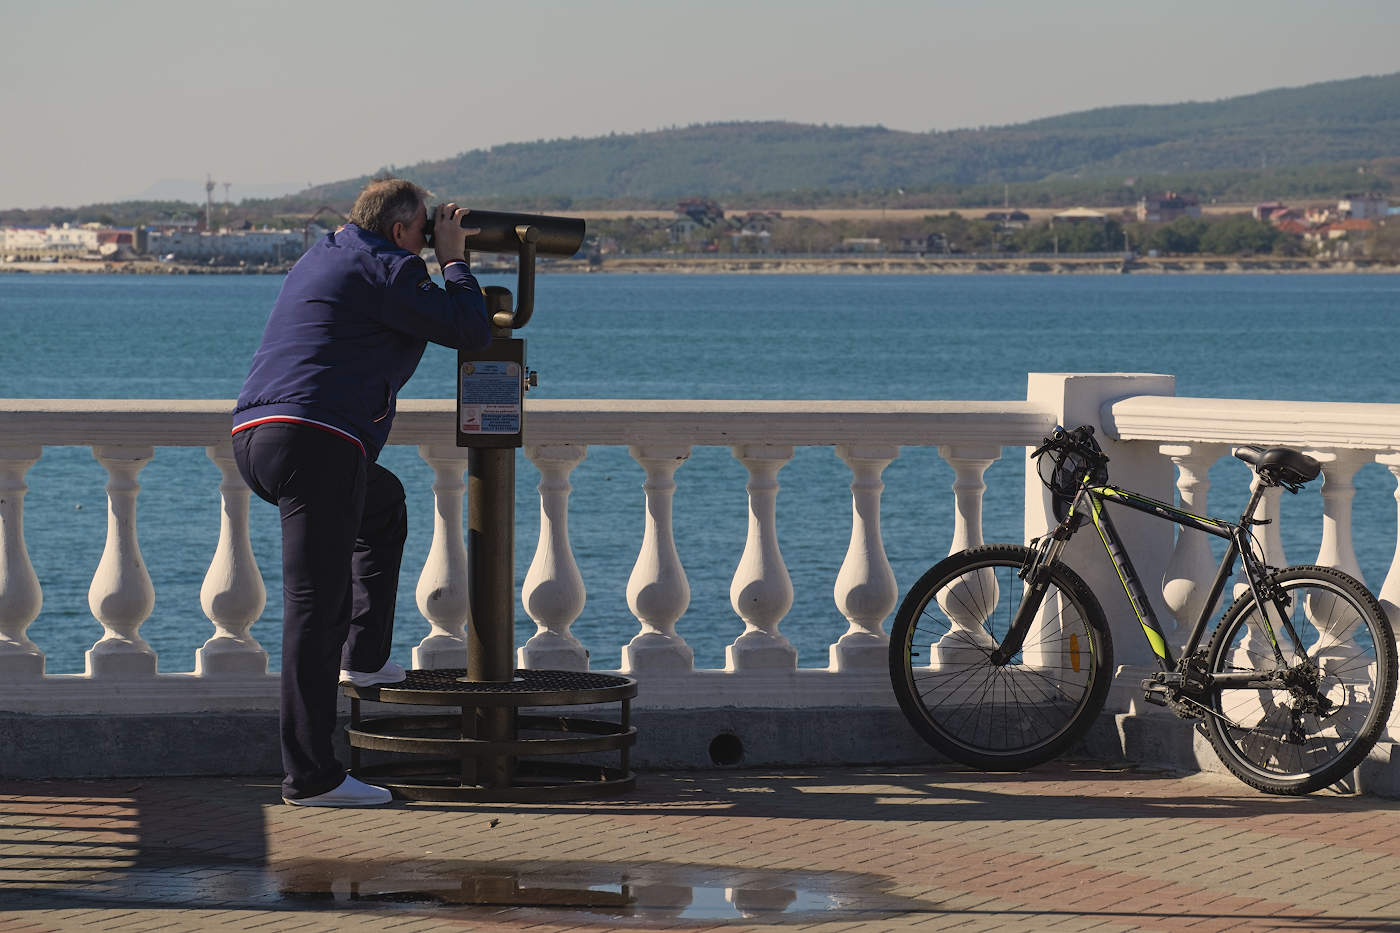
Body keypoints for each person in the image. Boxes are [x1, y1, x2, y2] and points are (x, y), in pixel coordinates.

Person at [232, 177, 490, 807]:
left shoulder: (325, 254)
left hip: (258, 437)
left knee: (382, 506)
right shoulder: (388, 266)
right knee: (313, 610)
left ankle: (365, 655)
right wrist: (453, 260)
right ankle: (312, 777)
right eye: (423, 229)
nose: (425, 241)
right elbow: (470, 329)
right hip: (316, 443)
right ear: (403, 230)